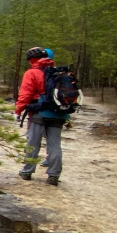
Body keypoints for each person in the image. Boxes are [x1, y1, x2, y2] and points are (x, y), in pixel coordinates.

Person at [15, 47, 69, 185]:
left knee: (32, 143)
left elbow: (25, 94)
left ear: (32, 59)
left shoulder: (32, 72)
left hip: (38, 113)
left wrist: (18, 110)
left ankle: (27, 171)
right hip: (58, 114)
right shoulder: (57, 72)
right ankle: (54, 175)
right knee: (55, 145)